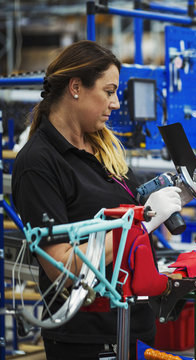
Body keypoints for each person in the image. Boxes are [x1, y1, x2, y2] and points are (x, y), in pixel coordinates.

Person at [11, 40, 182, 360]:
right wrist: (143, 221)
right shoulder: (38, 164)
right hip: (88, 339)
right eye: (109, 91)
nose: (116, 103)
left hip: (137, 325)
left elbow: (128, 207)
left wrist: (166, 198)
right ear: (75, 87)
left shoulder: (104, 150)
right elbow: (61, 269)